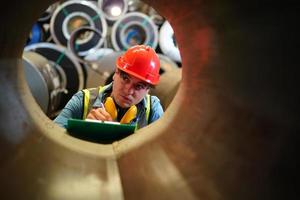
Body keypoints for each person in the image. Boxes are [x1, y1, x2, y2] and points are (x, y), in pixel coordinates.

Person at [54, 45, 164, 129]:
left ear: (148, 90)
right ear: (116, 73)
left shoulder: (153, 110)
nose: (128, 90)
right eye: (125, 79)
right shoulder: (83, 100)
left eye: (139, 86)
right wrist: (83, 129)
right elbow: (53, 136)